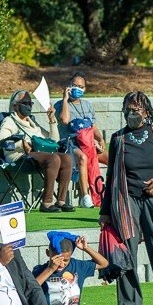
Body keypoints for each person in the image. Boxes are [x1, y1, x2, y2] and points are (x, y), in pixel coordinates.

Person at [100, 91, 153, 305]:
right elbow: (111, 176)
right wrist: (105, 212)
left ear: (146, 111)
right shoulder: (118, 138)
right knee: (127, 255)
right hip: (126, 204)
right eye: (128, 108)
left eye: (136, 108)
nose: (132, 113)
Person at [0, 90, 75, 212]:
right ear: (15, 105)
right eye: (25, 103)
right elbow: (0, 140)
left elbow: (54, 140)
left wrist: (52, 119)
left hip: (37, 156)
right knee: (53, 159)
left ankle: (61, 201)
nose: (28, 106)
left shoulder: (33, 123)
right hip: (19, 157)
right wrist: (21, 144)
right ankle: (47, 203)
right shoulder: (9, 121)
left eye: (30, 103)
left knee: (66, 158)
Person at [55, 72, 108, 208]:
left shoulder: (87, 105)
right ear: (69, 86)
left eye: (80, 86)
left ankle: (112, 191)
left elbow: (93, 126)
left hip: (88, 142)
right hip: (70, 143)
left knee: (112, 158)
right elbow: (65, 120)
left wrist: (100, 139)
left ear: (85, 89)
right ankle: (86, 197)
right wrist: (65, 99)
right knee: (83, 158)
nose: (77, 88)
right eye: (74, 85)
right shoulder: (60, 104)